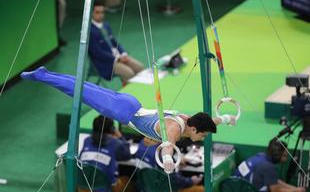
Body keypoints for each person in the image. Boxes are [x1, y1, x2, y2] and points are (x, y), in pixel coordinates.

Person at [21, 67, 235, 173]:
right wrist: (168, 160)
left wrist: (225, 118)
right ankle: (42, 76)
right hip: (121, 111)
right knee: (78, 91)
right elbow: (168, 145)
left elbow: (209, 121)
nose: (202, 138)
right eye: (203, 134)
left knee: (83, 87)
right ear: (195, 128)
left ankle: (45, 73)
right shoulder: (174, 129)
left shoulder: (190, 120)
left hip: (130, 104)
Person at [78, 115, 136, 192]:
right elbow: (127, 155)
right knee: (129, 183)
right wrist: (120, 136)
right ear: (112, 129)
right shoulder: (114, 143)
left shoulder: (87, 140)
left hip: (82, 189)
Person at [89, 1, 144, 83]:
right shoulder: (89, 31)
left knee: (140, 67)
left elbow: (114, 42)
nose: (100, 15)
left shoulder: (105, 25)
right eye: (97, 12)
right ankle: (127, 94)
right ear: (91, 13)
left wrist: (124, 53)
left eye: (102, 12)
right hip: (105, 63)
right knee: (129, 73)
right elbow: (98, 53)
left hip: (118, 57)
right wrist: (117, 58)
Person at [233, 139, 306, 192]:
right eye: (285, 155)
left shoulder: (261, 156)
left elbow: (274, 181)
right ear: (277, 155)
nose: (287, 157)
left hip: (234, 189)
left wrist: (294, 188)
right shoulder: (268, 167)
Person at [135, 137, 204, 192]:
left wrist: (175, 162)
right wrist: (191, 181)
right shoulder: (162, 153)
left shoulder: (142, 144)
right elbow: (177, 181)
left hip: (146, 190)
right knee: (202, 191)